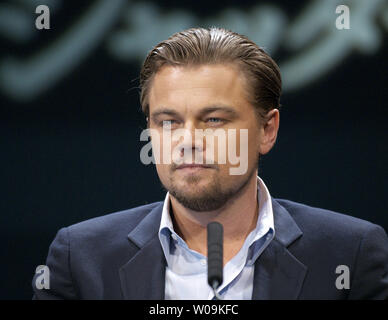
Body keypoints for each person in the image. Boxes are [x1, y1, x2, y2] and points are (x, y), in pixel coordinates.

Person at [32, 27, 388, 300]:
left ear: (267, 129)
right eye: (168, 121)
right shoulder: (80, 259)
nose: (188, 140)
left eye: (214, 120)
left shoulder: (350, 255)